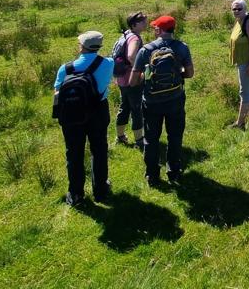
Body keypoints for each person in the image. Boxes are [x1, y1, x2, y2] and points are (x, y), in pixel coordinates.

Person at [52, 31, 115, 207]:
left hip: (72, 113)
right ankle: (101, 190)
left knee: (74, 153)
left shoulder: (66, 68)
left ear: (81, 47)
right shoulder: (107, 64)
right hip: (98, 111)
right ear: (99, 46)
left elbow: (57, 92)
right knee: (99, 150)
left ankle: (76, 194)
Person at [129, 15, 193, 185]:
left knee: (151, 138)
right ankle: (174, 172)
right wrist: (177, 76)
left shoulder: (146, 50)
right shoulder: (182, 48)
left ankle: (152, 175)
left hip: (151, 102)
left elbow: (133, 81)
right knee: (175, 136)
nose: (154, 29)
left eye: (155, 27)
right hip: (175, 99)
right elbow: (190, 73)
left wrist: (146, 76)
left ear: (159, 30)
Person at [114, 11, 147, 148]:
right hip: (132, 79)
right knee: (137, 108)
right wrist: (138, 71)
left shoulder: (125, 35)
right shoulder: (134, 38)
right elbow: (131, 56)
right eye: (143, 22)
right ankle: (140, 141)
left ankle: (120, 136)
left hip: (121, 79)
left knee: (124, 106)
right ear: (134, 25)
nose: (145, 23)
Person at [229, 0, 249, 129]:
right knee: (248, 90)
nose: (236, 11)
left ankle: (240, 123)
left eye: (239, 8)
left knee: (244, 92)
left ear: (245, 9)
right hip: (242, 61)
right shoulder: (238, 21)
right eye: (234, 9)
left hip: (248, 62)